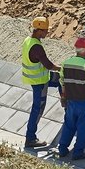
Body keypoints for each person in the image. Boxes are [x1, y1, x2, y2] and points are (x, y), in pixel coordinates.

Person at [21, 16, 61, 149]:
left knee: (60, 80)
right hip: (40, 82)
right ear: (39, 30)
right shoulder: (37, 47)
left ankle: (66, 103)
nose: (47, 33)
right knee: (38, 109)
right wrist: (62, 68)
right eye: (45, 31)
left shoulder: (28, 40)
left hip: (37, 78)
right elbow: (48, 65)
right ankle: (30, 138)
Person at [57, 37, 85, 160]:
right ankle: (78, 152)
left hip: (70, 100)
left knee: (68, 124)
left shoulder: (66, 63)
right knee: (83, 127)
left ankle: (62, 149)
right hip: (84, 101)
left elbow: (62, 82)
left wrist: (63, 96)